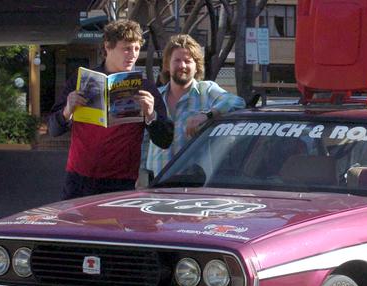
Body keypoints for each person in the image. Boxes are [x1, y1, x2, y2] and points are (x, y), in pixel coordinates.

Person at [48, 20, 173, 200]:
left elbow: (165, 140)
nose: (133, 55)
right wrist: (67, 110)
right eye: (126, 49)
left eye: (136, 49)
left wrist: (151, 115)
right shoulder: (80, 80)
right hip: (79, 178)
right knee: (75, 227)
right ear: (107, 47)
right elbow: (53, 129)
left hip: (120, 181)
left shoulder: (145, 87)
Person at [141, 34, 245, 176]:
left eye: (188, 61)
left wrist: (207, 115)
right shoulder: (155, 97)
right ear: (167, 65)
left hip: (194, 183)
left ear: (197, 67)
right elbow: (144, 141)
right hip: (158, 181)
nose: (182, 66)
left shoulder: (206, 91)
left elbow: (237, 102)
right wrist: (141, 173)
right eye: (177, 60)